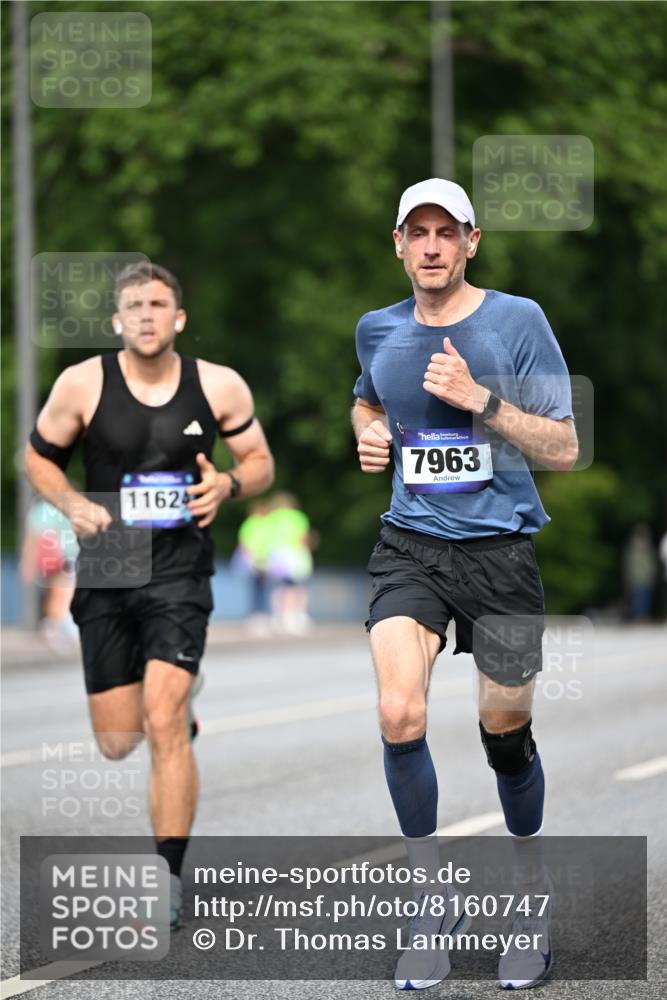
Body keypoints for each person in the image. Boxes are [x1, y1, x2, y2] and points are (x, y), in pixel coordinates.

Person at [352, 179, 578, 990]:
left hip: (502, 554)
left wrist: (482, 401)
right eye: (418, 233)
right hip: (409, 546)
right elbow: (366, 403)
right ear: (398, 244)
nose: (432, 247)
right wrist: (370, 434)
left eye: (446, 232)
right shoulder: (376, 328)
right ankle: (427, 899)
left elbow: (561, 446)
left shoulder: (517, 320)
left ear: (471, 241)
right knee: (396, 710)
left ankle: (528, 892)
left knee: (503, 733)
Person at [24, 262, 274, 928]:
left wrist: (227, 485)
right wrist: (73, 505)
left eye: (157, 303)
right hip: (108, 563)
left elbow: (259, 463)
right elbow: (37, 457)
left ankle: (166, 876)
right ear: (116, 321)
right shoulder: (82, 384)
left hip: (179, 572)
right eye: (133, 305)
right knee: (117, 741)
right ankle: (177, 712)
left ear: (177, 318)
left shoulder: (217, 385)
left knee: (161, 721)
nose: (145, 314)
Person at [19, 498, 79, 653]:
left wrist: (28, 564)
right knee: (61, 594)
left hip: (56, 559)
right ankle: (57, 628)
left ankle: (55, 627)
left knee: (56, 594)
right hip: (67, 557)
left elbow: (33, 539)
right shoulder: (71, 505)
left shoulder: (41, 510)